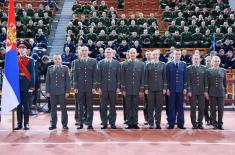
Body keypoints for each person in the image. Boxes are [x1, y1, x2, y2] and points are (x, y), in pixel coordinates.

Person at [71, 46, 97, 129]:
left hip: (89, 87)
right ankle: (81, 123)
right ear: (80, 52)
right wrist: (75, 86)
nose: (84, 52)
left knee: (90, 106)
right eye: (83, 50)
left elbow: (95, 75)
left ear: (88, 52)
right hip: (80, 87)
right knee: (80, 106)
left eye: (86, 50)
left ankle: (89, 123)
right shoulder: (76, 62)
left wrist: (94, 86)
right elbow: (74, 75)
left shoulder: (93, 61)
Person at [97, 48, 121, 129]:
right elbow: (98, 76)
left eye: (110, 52)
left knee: (112, 106)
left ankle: (112, 122)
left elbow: (118, 77)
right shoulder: (100, 63)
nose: (108, 53)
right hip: (103, 88)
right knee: (103, 106)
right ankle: (104, 122)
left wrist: (118, 87)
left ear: (112, 53)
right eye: (107, 52)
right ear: (104, 53)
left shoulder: (117, 63)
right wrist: (99, 87)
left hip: (113, 88)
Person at [121, 48, 145, 129]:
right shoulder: (124, 64)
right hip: (127, 89)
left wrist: (141, 90)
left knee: (135, 106)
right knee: (128, 106)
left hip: (136, 89)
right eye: (131, 53)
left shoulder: (141, 64)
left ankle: (135, 122)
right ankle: (129, 122)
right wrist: (123, 89)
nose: (132, 54)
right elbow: (122, 77)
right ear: (128, 54)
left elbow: (142, 78)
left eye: (134, 53)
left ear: (137, 54)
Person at [14, 40, 35, 130]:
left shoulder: (30, 60)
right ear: (18, 50)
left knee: (26, 106)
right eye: (20, 48)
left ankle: (26, 123)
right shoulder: (15, 59)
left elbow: (33, 74)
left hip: (26, 86)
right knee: (18, 106)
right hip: (17, 85)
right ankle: (19, 124)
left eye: (23, 48)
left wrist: (32, 86)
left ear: (27, 50)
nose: (21, 50)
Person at [46, 55, 70, 130]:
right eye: (55, 59)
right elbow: (48, 81)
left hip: (62, 92)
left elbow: (67, 81)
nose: (57, 60)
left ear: (61, 60)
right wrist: (47, 91)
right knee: (53, 109)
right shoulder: (50, 68)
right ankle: (53, 124)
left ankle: (65, 124)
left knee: (63, 109)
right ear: (53, 60)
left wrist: (67, 91)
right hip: (53, 92)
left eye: (58, 59)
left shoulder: (65, 68)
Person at [145, 50, 166, 129]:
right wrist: (146, 88)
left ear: (159, 55)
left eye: (156, 54)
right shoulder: (148, 65)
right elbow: (145, 77)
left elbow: (164, 78)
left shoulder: (163, 65)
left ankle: (158, 122)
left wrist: (164, 88)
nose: (155, 56)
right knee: (150, 106)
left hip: (160, 88)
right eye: (154, 54)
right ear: (152, 56)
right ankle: (151, 122)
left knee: (159, 107)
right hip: (150, 89)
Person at [166, 50, 187, 129]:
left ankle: (180, 124)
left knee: (180, 107)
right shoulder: (168, 65)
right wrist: (167, 88)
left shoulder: (183, 64)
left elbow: (185, 77)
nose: (177, 55)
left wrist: (185, 88)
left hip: (180, 89)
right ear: (173, 55)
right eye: (176, 54)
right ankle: (171, 123)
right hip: (171, 89)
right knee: (171, 107)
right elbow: (167, 78)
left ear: (180, 55)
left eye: (179, 54)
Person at [187, 54, 208, 129]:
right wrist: (189, 90)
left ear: (200, 59)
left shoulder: (204, 68)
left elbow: (205, 80)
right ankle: (194, 124)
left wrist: (205, 91)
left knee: (201, 108)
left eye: (197, 58)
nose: (196, 60)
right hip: (192, 91)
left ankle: (200, 123)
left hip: (201, 91)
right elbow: (188, 80)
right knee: (193, 108)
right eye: (194, 59)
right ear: (192, 60)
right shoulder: (189, 68)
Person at [207, 56, 227, 130]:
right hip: (212, 92)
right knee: (212, 109)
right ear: (212, 62)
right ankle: (214, 123)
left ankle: (220, 123)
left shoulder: (223, 70)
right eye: (215, 61)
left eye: (218, 61)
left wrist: (226, 91)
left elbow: (225, 82)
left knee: (221, 108)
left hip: (221, 92)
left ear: (220, 62)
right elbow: (207, 83)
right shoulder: (208, 71)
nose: (216, 62)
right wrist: (207, 92)